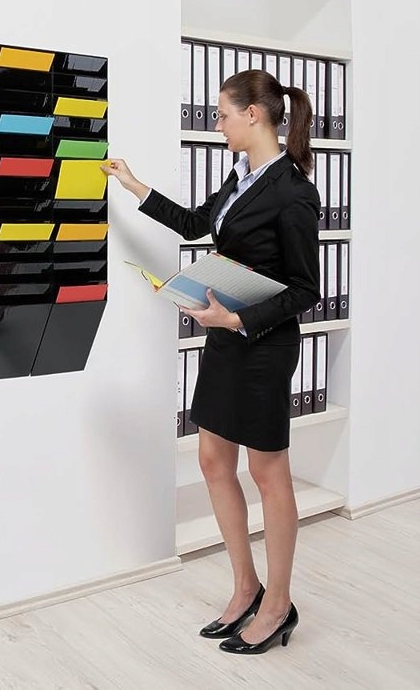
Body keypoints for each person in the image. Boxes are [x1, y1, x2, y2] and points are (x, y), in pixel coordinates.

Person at [103, 69, 321, 655]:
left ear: (254, 114)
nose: (217, 124)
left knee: (268, 474)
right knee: (211, 460)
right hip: (223, 338)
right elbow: (198, 225)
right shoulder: (239, 177)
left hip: (262, 345)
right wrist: (133, 183)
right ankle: (246, 586)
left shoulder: (294, 192)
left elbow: (306, 289)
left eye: (223, 115)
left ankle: (278, 604)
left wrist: (239, 320)